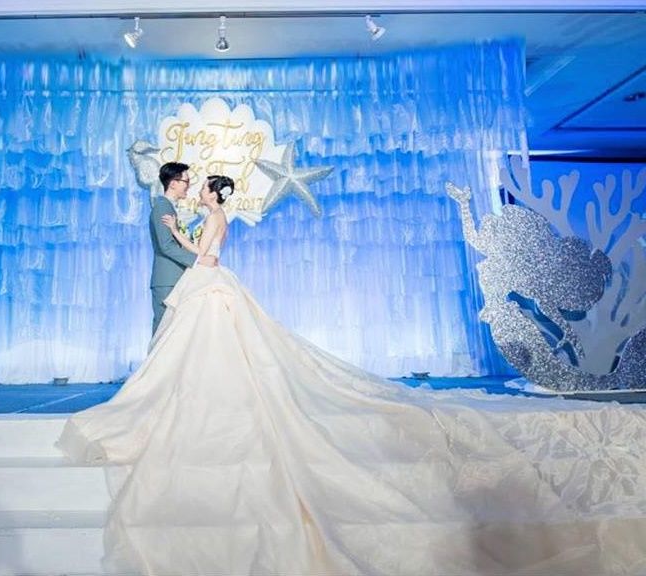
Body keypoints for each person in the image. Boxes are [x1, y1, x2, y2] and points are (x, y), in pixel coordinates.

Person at [57, 175, 646, 575]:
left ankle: (203, 397)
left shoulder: (212, 215)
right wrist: (189, 240)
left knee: (207, 343)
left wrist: (186, 241)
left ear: (212, 193)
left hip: (209, 280)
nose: (202, 189)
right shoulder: (213, 213)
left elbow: (206, 254)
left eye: (206, 186)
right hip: (211, 282)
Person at [148, 162, 197, 335]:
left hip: (175, 278)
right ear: (173, 183)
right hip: (167, 279)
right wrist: (196, 260)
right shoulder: (162, 206)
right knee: (163, 331)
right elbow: (166, 245)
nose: (188, 186)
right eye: (186, 181)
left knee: (173, 333)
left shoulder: (169, 207)